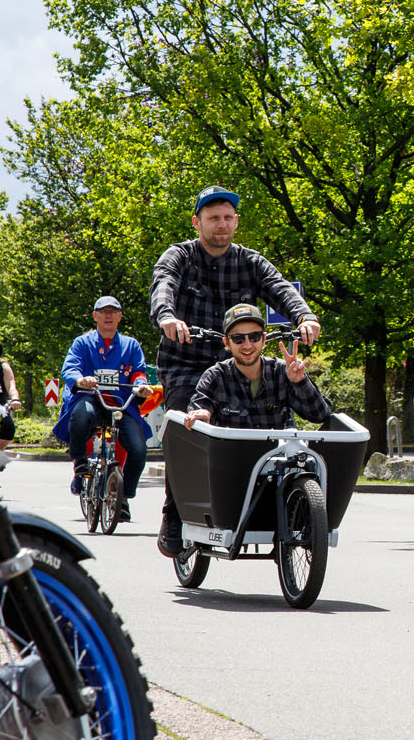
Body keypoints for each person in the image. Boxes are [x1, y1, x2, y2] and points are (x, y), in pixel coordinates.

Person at [151, 185, 321, 556]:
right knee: (183, 425)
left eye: (228, 218)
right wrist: (167, 316)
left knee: (266, 418)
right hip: (187, 361)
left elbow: (280, 288)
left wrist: (305, 315)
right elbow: (163, 285)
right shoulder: (179, 256)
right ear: (197, 222)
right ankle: (175, 510)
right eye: (213, 218)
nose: (221, 225)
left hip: (239, 361)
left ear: (236, 222)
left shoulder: (250, 261)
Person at [53, 295, 152, 522]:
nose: (108, 315)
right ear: (95, 316)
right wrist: (81, 380)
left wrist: (141, 386)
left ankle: (123, 497)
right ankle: (80, 462)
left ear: (119, 317)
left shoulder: (131, 345)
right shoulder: (82, 342)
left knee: (138, 449)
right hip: (90, 397)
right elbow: (70, 368)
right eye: (103, 311)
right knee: (81, 415)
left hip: (120, 403)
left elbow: (138, 372)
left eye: (113, 311)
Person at [184, 304, 331, 430]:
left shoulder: (282, 371)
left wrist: (300, 382)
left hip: (275, 460)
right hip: (228, 460)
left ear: (264, 339)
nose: (247, 345)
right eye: (238, 339)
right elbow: (200, 409)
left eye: (254, 337)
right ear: (227, 343)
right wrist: (201, 414)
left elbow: (320, 415)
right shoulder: (215, 376)